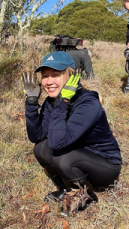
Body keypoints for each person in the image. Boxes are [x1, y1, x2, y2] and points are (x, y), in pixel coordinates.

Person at [21, 51, 122, 204]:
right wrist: (31, 103)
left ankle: (85, 197)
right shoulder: (52, 101)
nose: (48, 81)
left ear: (70, 75)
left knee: (63, 158)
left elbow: (56, 144)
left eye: (55, 74)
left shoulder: (87, 103)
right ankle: (66, 189)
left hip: (105, 165)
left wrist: (63, 102)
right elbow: (37, 137)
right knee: (40, 148)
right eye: (45, 76)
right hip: (79, 154)